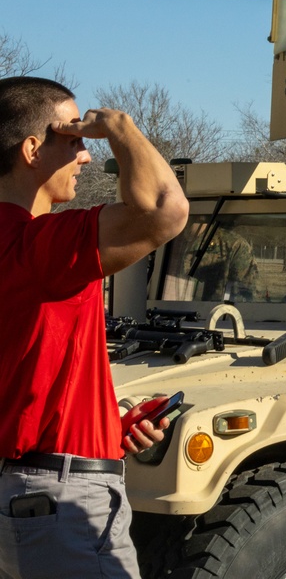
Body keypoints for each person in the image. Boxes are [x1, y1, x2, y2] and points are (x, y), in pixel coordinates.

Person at [0, 77, 189, 579]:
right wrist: (119, 127)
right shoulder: (35, 247)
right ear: (33, 150)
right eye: (75, 137)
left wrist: (104, 432)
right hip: (57, 506)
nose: (86, 154)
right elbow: (164, 210)